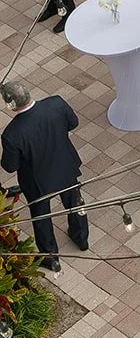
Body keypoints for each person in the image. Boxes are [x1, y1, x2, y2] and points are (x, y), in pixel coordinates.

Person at [0, 81, 89, 270]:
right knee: (75, 203)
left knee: (41, 217)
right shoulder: (56, 103)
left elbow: (10, 166)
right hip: (65, 166)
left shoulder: (11, 134)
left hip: (37, 181)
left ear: (10, 105)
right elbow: (73, 122)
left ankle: (51, 256)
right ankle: (81, 238)